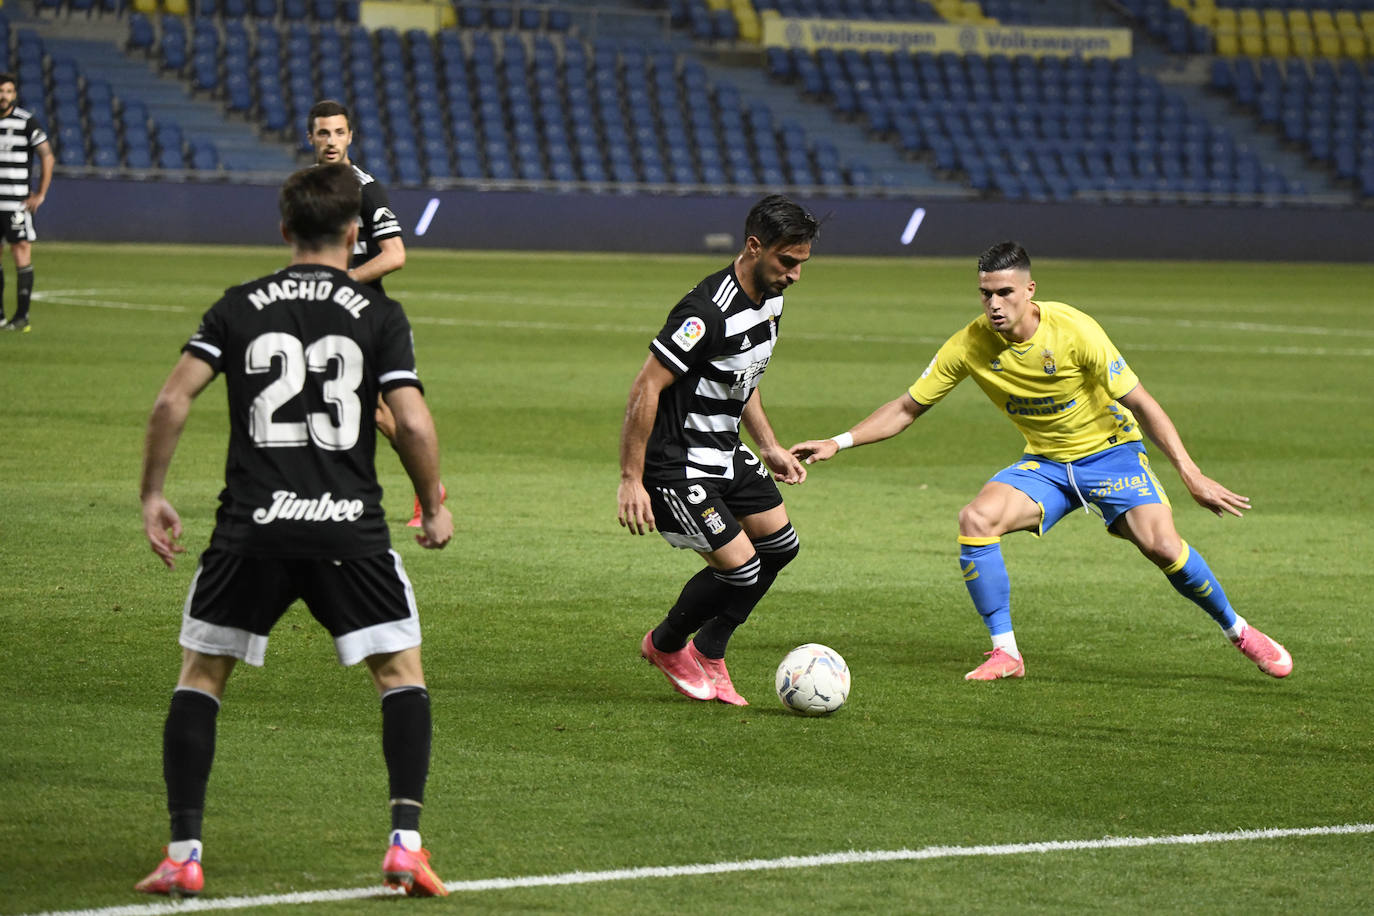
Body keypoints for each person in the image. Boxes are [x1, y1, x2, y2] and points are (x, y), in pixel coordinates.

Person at [136, 163, 454, 899]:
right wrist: (431, 502)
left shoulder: (238, 305)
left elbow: (170, 401)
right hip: (350, 531)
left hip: (252, 530)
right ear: (354, 234)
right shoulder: (378, 314)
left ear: (283, 231)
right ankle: (405, 845)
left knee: (201, 676)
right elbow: (408, 418)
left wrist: (154, 492)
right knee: (399, 675)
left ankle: (184, 852)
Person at [790, 241, 1292, 682]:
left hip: (1112, 455)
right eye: (985, 293)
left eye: (1005, 293)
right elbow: (906, 408)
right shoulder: (970, 344)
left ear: (1030, 290)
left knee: (1162, 547)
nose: (994, 304)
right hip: (1048, 465)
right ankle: (1006, 652)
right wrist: (840, 441)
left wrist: (1190, 472)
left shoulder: (1075, 330)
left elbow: (1142, 402)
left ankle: (1238, 629)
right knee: (976, 518)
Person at [617, 195, 819, 705]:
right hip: (678, 464)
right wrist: (630, 478)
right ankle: (665, 645)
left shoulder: (771, 299)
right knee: (742, 568)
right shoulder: (705, 313)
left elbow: (741, 377)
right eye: (787, 262)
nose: (795, 274)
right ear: (754, 247)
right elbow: (646, 389)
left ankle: (711, 648)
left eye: (802, 263)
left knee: (781, 548)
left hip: (724, 451)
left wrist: (768, 444)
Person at [307, 98, 440, 528]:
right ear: (311, 137)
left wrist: (344, 279)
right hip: (326, 316)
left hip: (365, 317)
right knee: (345, 410)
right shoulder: (308, 188)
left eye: (338, 132)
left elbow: (395, 254)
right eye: (323, 133)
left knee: (385, 414)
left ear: (350, 136)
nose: (331, 141)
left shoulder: (365, 189)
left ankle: (428, 490)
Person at [0, 72, 54, 334]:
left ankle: (21, 316)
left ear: (14, 95)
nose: (4, 96)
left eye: (8, 91)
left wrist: (40, 193)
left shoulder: (26, 122)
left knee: (20, 250)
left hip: (15, 205)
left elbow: (47, 156)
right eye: (1, 91)